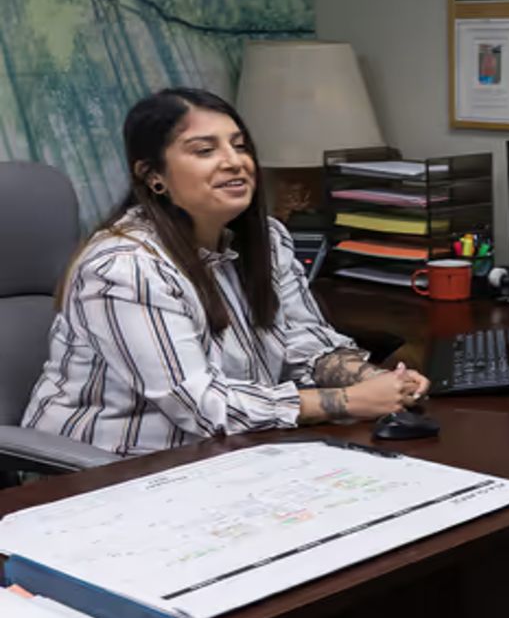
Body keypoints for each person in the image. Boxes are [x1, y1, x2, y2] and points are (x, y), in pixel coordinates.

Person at [23, 87, 430, 456]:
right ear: (152, 175)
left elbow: (303, 344)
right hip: (108, 466)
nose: (234, 162)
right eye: (204, 150)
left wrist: (378, 381)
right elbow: (200, 405)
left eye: (239, 146)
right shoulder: (125, 267)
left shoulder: (267, 239)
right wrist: (349, 401)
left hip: (229, 449)